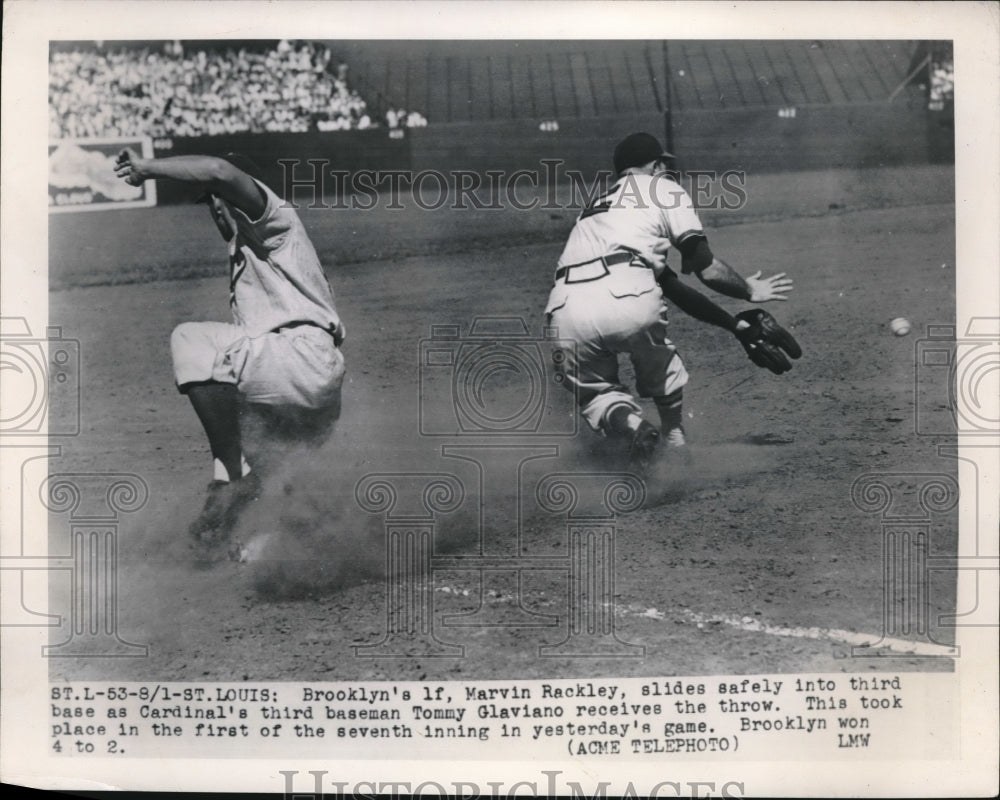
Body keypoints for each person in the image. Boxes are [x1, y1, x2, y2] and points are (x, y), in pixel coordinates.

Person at [114, 149, 346, 546]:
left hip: (300, 359)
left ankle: (229, 475)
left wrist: (148, 168)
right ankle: (287, 535)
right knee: (279, 482)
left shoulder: (276, 222)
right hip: (308, 385)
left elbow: (220, 171)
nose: (214, 209)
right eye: (208, 203)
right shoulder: (250, 253)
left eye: (215, 198)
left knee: (191, 340)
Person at [545, 132, 795, 471]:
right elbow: (707, 269)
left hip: (564, 310)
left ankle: (634, 426)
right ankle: (674, 438)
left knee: (598, 395)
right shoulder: (663, 189)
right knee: (660, 365)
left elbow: (670, 285)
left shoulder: (592, 210)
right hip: (628, 295)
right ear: (657, 165)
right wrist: (748, 291)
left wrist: (735, 325)